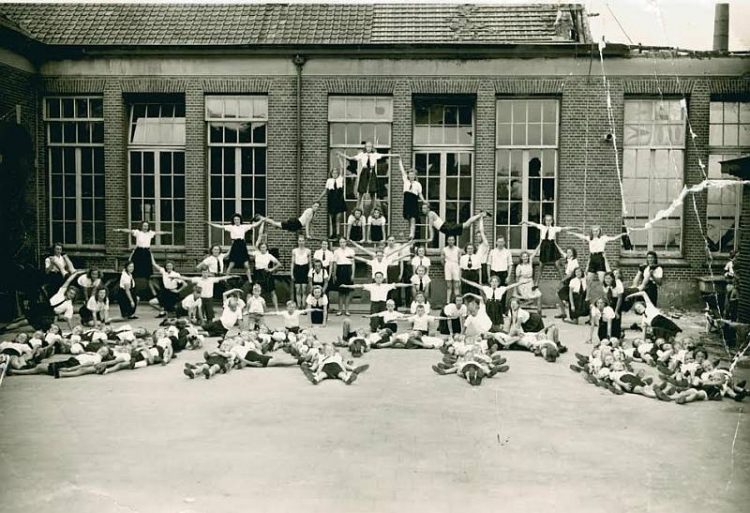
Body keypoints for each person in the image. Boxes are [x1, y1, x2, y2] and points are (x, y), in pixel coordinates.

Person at [338, 141, 398, 211]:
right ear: (365, 147)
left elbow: (385, 155)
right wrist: (341, 154)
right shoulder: (362, 154)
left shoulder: (374, 154)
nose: (368, 148)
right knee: (361, 191)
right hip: (364, 172)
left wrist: (396, 155)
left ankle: (374, 210)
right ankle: (357, 208)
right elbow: (350, 158)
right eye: (367, 146)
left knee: (372, 192)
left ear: (372, 147)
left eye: (370, 146)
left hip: (371, 172)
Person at [340, 272, 409, 332]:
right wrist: (347, 286)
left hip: (383, 304)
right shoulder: (371, 286)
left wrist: (410, 285)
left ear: (383, 278)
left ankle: (383, 329)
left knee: (383, 320)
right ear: (374, 278)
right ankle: (373, 328)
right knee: (374, 322)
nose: (378, 279)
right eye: (377, 277)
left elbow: (398, 284)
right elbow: (359, 286)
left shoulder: (386, 286)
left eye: (380, 277)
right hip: (374, 304)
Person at [568, 225, 628, 293]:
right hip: (592, 258)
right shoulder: (590, 238)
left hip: (600, 258)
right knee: (588, 280)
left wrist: (622, 234)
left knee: (602, 280)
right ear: (592, 231)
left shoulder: (603, 238)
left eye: (597, 231)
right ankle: (587, 298)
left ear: (599, 231)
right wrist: (573, 233)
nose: (595, 232)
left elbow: (613, 238)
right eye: (593, 231)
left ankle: (607, 296)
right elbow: (582, 236)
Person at [208, 214, 263, 282]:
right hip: (235, 245)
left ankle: (250, 280)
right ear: (233, 221)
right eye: (235, 220)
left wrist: (262, 220)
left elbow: (254, 225)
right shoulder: (231, 227)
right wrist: (210, 224)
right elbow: (220, 226)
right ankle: (225, 279)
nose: (236, 221)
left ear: (240, 220)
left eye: (238, 219)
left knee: (246, 265)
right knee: (231, 264)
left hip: (242, 245)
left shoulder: (244, 227)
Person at [523, 215, 574, 284]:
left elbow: (565, 228)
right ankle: (536, 283)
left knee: (557, 265)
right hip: (544, 246)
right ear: (545, 221)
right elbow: (534, 224)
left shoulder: (554, 228)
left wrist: (575, 228)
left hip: (552, 246)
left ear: (552, 221)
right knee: (541, 265)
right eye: (547, 220)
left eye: (550, 220)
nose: (548, 222)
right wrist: (525, 221)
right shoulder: (542, 227)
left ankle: (563, 281)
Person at [300, 343, 369, 385]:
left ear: (334, 351)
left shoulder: (336, 356)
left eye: (331, 350)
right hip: (326, 368)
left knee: (341, 375)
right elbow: (321, 364)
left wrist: (345, 372)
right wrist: (318, 372)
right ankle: (315, 379)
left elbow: (340, 363)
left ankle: (348, 379)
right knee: (322, 375)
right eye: (327, 350)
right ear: (324, 351)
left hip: (336, 367)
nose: (329, 351)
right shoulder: (322, 357)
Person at [422, 203, 490, 244]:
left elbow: (430, 227)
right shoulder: (430, 214)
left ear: (428, 209)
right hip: (445, 228)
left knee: (466, 225)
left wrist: (431, 238)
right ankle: (480, 215)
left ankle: (481, 215)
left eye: (425, 208)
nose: (423, 210)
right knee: (466, 225)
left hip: (446, 227)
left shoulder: (430, 214)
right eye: (422, 208)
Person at [399, 158, 426, 239]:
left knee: (413, 218)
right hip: (407, 199)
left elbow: (420, 194)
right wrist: (400, 161)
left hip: (413, 200)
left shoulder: (417, 184)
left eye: (413, 175)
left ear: (415, 176)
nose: (411, 176)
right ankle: (409, 232)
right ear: (408, 175)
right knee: (408, 217)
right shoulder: (406, 181)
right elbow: (402, 171)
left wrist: (424, 201)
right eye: (410, 174)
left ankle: (412, 233)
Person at [318, 167, 347, 239]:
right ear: (331, 174)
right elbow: (325, 191)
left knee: (338, 217)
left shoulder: (340, 179)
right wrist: (319, 199)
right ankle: (332, 233)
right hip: (332, 199)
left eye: (336, 173)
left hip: (339, 199)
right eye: (333, 173)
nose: (335, 174)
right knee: (331, 218)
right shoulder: (329, 180)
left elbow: (342, 169)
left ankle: (337, 233)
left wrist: (340, 158)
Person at [252, 241, 281, 311]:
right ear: (259, 248)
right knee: (255, 291)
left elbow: (278, 264)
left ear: (266, 248)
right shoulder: (256, 253)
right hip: (257, 273)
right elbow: (248, 253)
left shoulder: (269, 255)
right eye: (261, 247)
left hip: (266, 273)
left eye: (264, 247)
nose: (263, 249)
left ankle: (277, 310)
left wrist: (271, 269)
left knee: (272, 291)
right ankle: (255, 309)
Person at [331, 238, 356, 316]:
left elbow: (353, 263)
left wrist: (352, 274)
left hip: (348, 270)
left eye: (343, 242)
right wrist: (334, 274)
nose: (342, 243)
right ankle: (340, 310)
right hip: (340, 270)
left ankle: (347, 310)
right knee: (341, 292)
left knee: (348, 292)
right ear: (339, 243)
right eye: (340, 242)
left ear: (346, 242)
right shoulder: (336, 251)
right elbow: (335, 264)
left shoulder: (351, 251)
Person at [555, 248, 579, 320]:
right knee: (558, 295)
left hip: (571, 281)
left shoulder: (574, 262)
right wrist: (555, 244)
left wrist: (562, 280)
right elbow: (562, 252)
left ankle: (572, 315)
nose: (568, 254)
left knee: (565, 296)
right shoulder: (568, 259)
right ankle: (563, 313)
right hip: (568, 281)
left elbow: (570, 274)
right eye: (567, 252)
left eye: (570, 252)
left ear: (573, 254)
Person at [290, 236, 311, 309]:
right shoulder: (294, 251)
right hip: (297, 269)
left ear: (305, 241)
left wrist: (310, 273)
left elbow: (310, 263)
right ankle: (299, 306)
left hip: (305, 269)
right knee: (298, 289)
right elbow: (292, 263)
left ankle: (304, 305)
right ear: (298, 241)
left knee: (304, 289)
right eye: (299, 241)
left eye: (302, 241)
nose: (301, 242)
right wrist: (292, 273)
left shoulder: (308, 251)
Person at [442, 235, 462, 304]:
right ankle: (448, 302)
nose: (451, 241)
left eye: (452, 240)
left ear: (454, 241)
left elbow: (460, 260)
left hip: (455, 265)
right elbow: (442, 260)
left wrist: (458, 268)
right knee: (448, 286)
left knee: (456, 286)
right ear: (447, 241)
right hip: (448, 266)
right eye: (449, 240)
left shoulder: (457, 249)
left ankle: (457, 301)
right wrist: (447, 265)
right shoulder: (444, 249)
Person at [474, 217, 491, 285]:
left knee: (484, 285)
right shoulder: (479, 246)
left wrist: (481, 219)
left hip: (483, 266)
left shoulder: (485, 244)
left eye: (480, 236)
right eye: (477, 236)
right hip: (477, 266)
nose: (478, 238)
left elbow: (481, 230)